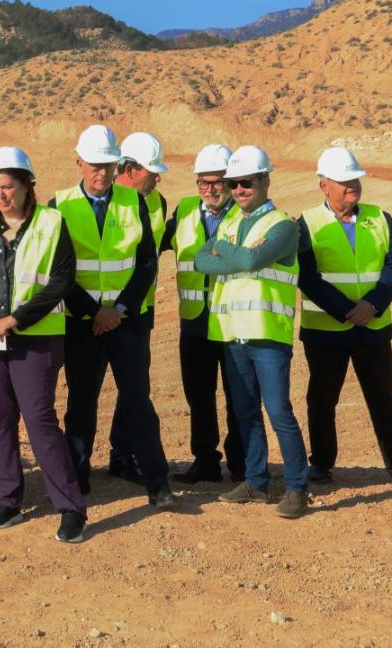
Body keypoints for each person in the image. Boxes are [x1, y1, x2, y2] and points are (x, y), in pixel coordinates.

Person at [0, 146, 88, 542]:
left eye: (8, 186)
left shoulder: (51, 222)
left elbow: (62, 280)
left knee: (40, 420)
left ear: (28, 185)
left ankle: (70, 507)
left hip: (36, 339)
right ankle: (8, 500)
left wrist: (19, 318)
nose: (1, 195)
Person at [53, 124, 178, 509]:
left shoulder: (133, 202)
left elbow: (145, 263)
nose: (101, 172)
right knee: (81, 404)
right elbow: (58, 271)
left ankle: (157, 483)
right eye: (94, 164)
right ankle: (78, 478)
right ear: (79, 162)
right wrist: (95, 312)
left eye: (108, 164)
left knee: (138, 401)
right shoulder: (59, 206)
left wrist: (119, 310)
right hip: (82, 322)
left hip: (127, 321)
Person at [195, 145, 309, 519]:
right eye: (234, 183)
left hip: (267, 334)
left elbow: (249, 260)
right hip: (233, 333)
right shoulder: (229, 223)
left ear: (265, 180)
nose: (240, 189)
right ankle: (256, 482)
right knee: (245, 413)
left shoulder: (281, 225)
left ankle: (296, 488)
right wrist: (233, 253)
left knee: (278, 412)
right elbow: (199, 259)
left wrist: (226, 254)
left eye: (247, 182)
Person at [298, 147, 392, 494]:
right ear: (324, 186)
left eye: (355, 181)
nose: (353, 186)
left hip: (373, 329)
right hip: (326, 331)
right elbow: (306, 276)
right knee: (322, 400)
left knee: (384, 399)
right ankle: (321, 464)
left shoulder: (381, 218)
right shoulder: (306, 223)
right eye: (345, 182)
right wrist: (346, 309)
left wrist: (372, 305)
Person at [164, 144, 245, 484]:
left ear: (231, 183)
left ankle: (241, 465)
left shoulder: (246, 213)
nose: (211, 189)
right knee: (199, 396)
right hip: (195, 322)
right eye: (204, 182)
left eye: (218, 182)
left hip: (232, 323)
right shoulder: (183, 211)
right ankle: (205, 462)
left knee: (238, 398)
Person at [104, 132, 170, 486]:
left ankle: (122, 454)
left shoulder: (158, 202)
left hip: (137, 313)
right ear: (128, 169)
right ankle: (75, 465)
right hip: (94, 315)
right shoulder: (99, 200)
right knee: (84, 394)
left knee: (134, 388)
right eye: (151, 171)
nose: (157, 177)